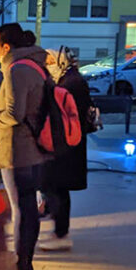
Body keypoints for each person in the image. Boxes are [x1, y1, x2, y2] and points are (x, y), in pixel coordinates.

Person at [0, 23, 49, 270]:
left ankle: (18, 268)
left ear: (6, 48)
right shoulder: (36, 65)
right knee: (30, 208)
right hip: (37, 149)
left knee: (20, 209)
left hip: (16, 150)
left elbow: (13, 115)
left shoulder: (15, 69)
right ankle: (27, 264)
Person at [39, 48, 94, 252]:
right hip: (69, 144)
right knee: (56, 187)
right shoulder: (70, 79)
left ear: (60, 61)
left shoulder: (71, 83)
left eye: (50, 61)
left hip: (66, 145)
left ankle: (61, 234)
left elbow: (63, 114)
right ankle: (59, 231)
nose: (47, 65)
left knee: (57, 187)